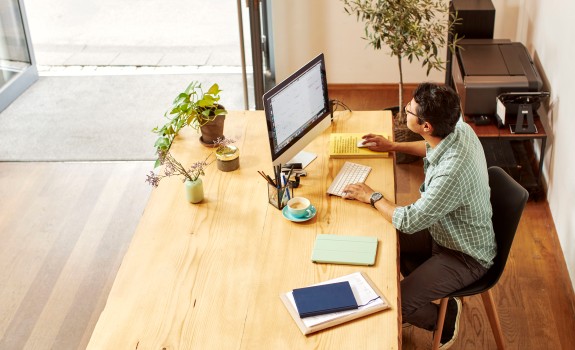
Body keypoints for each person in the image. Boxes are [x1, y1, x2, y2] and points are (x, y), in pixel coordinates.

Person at [343, 82, 496, 349]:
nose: (405, 108)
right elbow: (432, 148)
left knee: (392, 303)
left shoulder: (451, 174)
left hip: (464, 254)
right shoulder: (458, 128)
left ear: (426, 126)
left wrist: (373, 196)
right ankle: (416, 301)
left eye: (410, 109)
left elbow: (409, 220)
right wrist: (392, 146)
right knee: (382, 239)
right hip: (445, 230)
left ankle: (443, 319)